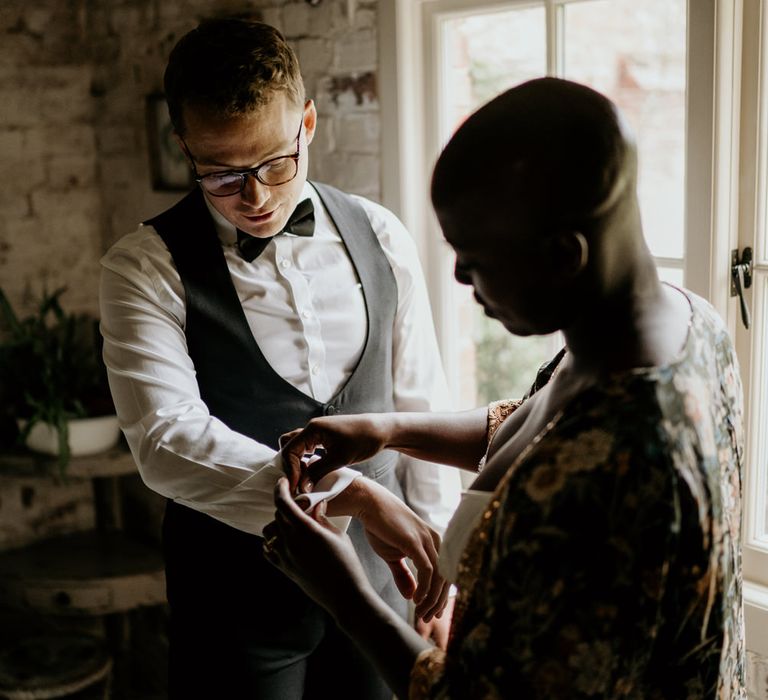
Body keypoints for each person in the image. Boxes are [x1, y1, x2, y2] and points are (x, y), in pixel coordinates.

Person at [266, 77, 746, 699]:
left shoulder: (619, 469)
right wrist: (390, 429)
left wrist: (348, 595)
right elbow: (545, 427)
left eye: (476, 257)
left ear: (564, 256)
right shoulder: (682, 322)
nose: (461, 274)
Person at [99, 17, 461, 699]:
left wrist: (438, 557)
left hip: (383, 591)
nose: (257, 197)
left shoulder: (381, 234)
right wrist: (342, 491)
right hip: (233, 599)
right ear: (185, 148)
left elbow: (422, 405)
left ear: (310, 124)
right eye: (223, 174)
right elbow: (165, 441)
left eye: (275, 163)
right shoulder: (143, 267)